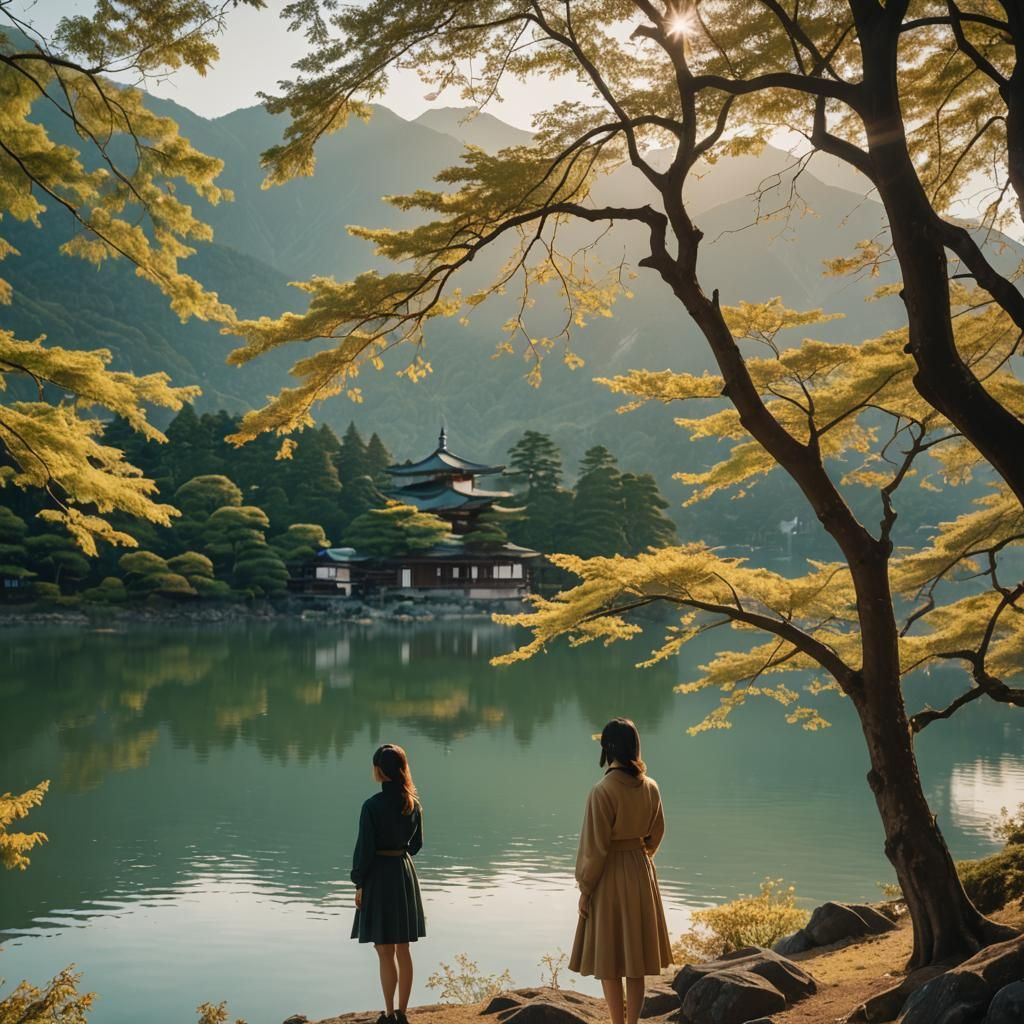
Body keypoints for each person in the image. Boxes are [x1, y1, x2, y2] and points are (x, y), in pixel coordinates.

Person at [569, 718, 672, 1024]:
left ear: (608, 748)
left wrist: (585, 890)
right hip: (641, 870)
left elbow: (595, 848)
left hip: (610, 875)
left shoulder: (602, 791)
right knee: (635, 960)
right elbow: (657, 833)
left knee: (610, 959)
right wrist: (640, 854)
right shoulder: (651, 786)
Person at [351, 743, 426, 1024]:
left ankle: (389, 1013)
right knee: (403, 947)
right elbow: (416, 845)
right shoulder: (412, 803)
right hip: (403, 873)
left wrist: (359, 882)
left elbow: (365, 850)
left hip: (379, 876)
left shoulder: (371, 806)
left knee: (384, 949)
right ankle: (403, 1014)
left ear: (380, 771)